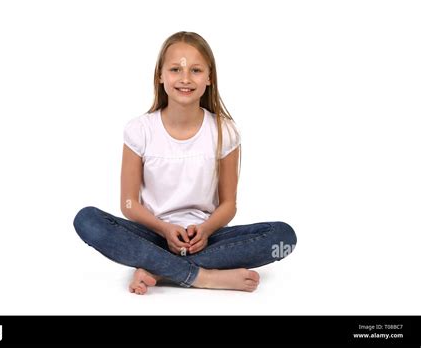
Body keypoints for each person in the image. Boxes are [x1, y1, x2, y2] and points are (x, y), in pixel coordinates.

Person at [73, 31, 297, 295]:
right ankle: (202, 276)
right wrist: (165, 228)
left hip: (206, 237)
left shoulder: (225, 131)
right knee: (87, 220)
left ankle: (157, 269)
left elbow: (228, 205)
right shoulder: (139, 130)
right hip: (153, 234)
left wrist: (205, 229)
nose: (185, 79)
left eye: (196, 70)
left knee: (283, 237)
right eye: (175, 69)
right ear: (160, 75)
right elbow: (129, 204)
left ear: (209, 77)